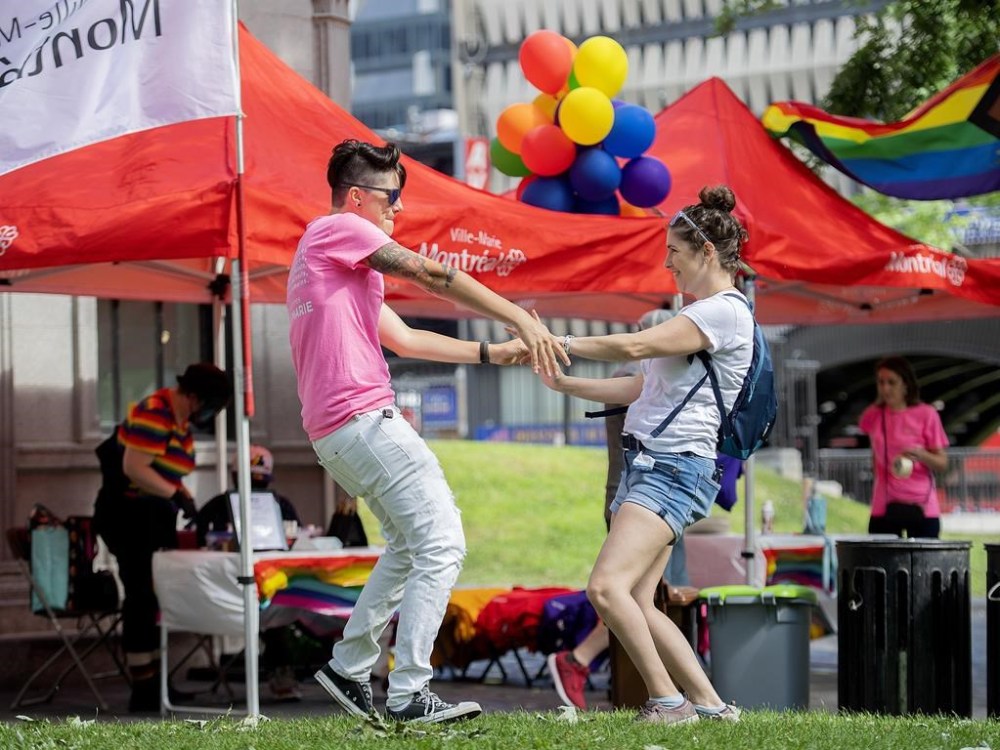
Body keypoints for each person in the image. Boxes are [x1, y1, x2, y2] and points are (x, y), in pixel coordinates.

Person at [286, 139, 568, 724]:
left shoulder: (332, 256)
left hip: (338, 429)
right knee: (442, 544)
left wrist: (493, 352)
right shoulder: (337, 229)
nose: (399, 210)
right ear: (358, 198)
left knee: (411, 547)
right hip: (362, 417)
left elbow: (407, 339)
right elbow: (433, 274)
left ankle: (349, 664)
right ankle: (410, 691)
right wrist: (517, 314)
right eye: (391, 198)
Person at [539, 186, 750, 724]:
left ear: (705, 252)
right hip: (654, 464)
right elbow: (639, 388)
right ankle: (710, 705)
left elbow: (634, 347)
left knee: (606, 587)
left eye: (674, 252)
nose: (666, 263)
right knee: (635, 594)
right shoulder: (695, 317)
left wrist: (556, 339)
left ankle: (667, 702)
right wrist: (566, 384)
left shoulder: (724, 312)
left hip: (672, 468)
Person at [93, 362, 233, 712]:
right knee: (140, 595)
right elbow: (134, 468)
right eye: (213, 405)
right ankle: (143, 687)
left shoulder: (176, 419)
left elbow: (161, 466)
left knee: (157, 595)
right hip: (126, 516)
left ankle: (158, 683)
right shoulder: (156, 412)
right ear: (196, 397)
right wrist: (176, 494)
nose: (213, 414)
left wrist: (181, 495)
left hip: (150, 516)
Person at [195, 444, 304, 702]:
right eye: (250, 482)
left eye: (260, 484)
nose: (255, 491)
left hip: (265, 589)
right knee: (277, 604)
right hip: (224, 589)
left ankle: (282, 672)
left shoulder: (281, 506)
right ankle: (281, 673)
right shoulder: (216, 508)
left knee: (278, 602)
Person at [859, 356, 948, 538]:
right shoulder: (873, 415)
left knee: (924, 564)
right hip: (884, 505)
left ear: (906, 385)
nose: (885, 388)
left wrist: (921, 454)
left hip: (922, 505)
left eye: (892, 382)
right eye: (881, 382)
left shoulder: (926, 414)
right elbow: (874, 455)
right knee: (880, 563)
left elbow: (942, 463)